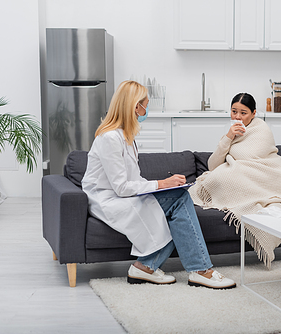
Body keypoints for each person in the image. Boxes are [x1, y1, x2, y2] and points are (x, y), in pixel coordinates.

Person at [81, 80, 235, 289]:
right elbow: (121, 187)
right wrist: (162, 184)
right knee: (180, 201)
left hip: (123, 195)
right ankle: (199, 270)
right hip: (109, 200)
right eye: (145, 104)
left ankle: (146, 267)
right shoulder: (110, 138)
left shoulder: (126, 137)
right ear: (136, 107)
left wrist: (166, 187)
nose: (147, 109)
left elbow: (134, 179)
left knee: (179, 198)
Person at [189, 93, 281, 267]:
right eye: (234, 111)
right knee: (219, 175)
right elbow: (212, 165)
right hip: (244, 175)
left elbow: (251, 157)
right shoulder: (231, 133)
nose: (237, 116)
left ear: (253, 114)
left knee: (226, 175)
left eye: (243, 113)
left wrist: (235, 159)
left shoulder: (262, 130)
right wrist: (228, 138)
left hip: (270, 175)